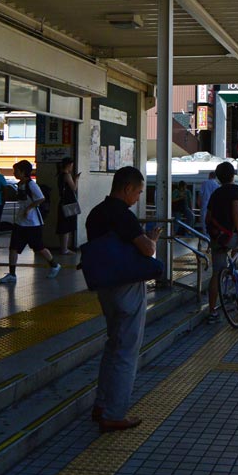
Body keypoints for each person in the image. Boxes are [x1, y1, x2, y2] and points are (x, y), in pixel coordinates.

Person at [86, 166, 161, 433]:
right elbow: (146, 249)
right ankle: (114, 413)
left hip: (105, 287)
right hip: (127, 287)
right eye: (138, 192)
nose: (138, 197)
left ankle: (101, 404)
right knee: (127, 350)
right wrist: (152, 240)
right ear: (127, 188)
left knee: (113, 344)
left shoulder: (95, 213)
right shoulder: (123, 215)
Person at [205, 161, 238, 324]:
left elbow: (208, 217)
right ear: (233, 175)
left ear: (218, 178)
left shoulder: (216, 193)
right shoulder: (235, 190)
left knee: (216, 274)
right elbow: (236, 214)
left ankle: (212, 311)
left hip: (217, 238)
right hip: (230, 237)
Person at [0, 160, 61, 284]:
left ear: (23, 172)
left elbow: (41, 198)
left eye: (16, 171)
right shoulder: (20, 184)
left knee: (39, 247)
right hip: (20, 222)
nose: (14, 173)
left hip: (33, 223)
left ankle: (54, 265)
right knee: (13, 248)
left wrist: (29, 208)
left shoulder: (31, 184)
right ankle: (12, 274)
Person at [56, 157, 80, 255]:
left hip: (62, 202)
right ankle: (65, 249)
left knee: (62, 225)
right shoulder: (67, 175)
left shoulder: (59, 175)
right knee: (67, 226)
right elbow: (74, 188)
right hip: (69, 203)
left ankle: (63, 247)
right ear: (69, 165)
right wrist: (77, 179)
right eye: (71, 165)